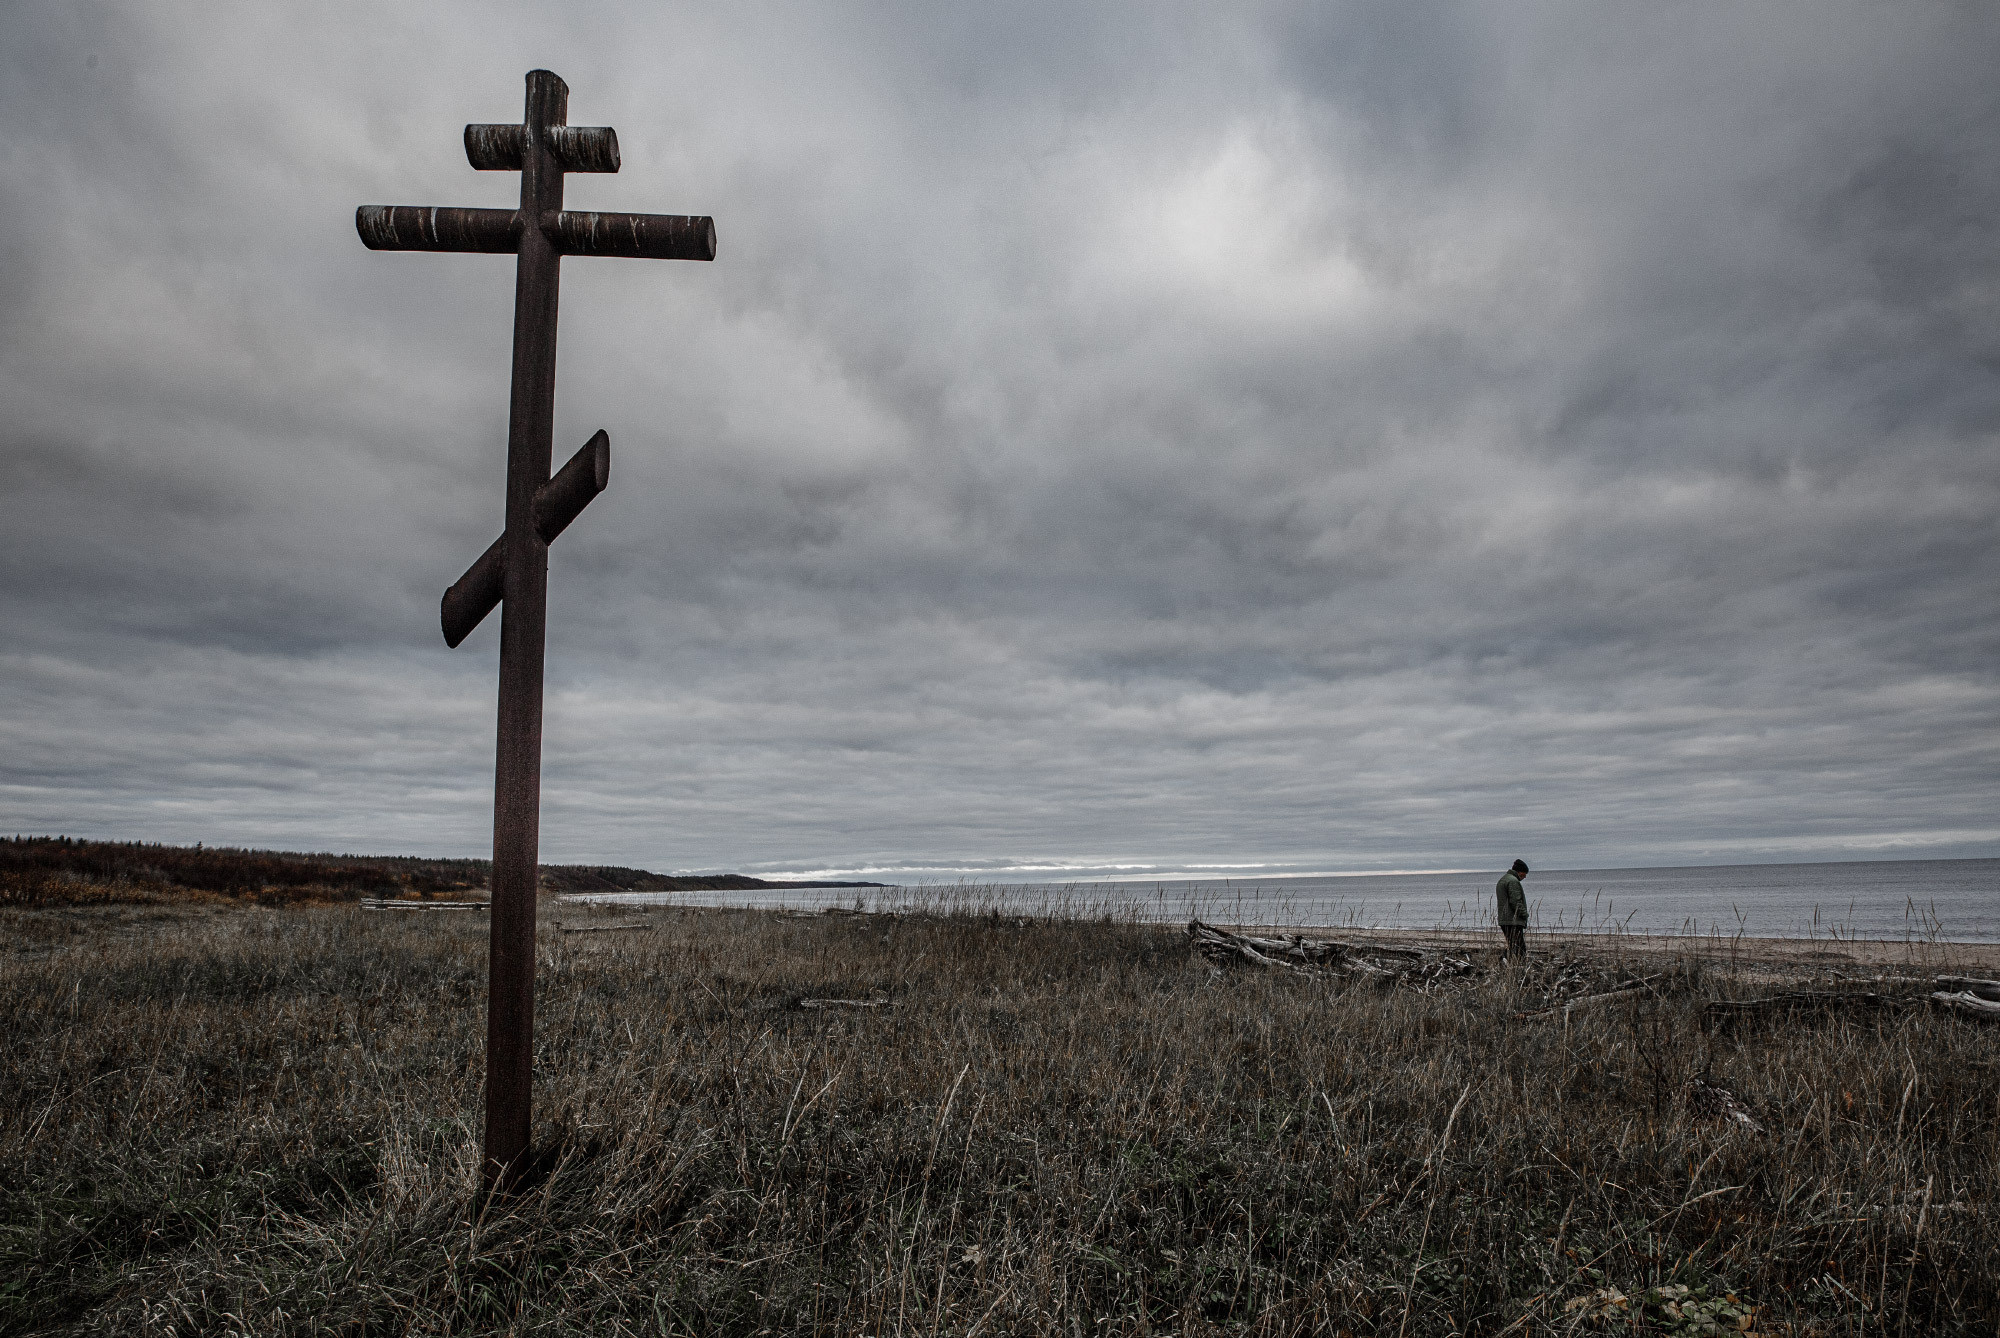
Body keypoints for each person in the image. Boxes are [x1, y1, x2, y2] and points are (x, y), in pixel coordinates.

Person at [1496, 859, 1529, 960]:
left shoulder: (1504, 879)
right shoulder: (1513, 881)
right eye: (1524, 873)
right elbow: (1516, 901)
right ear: (1519, 872)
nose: (1525, 876)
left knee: (1513, 946)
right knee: (1520, 948)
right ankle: (1506, 963)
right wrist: (1524, 914)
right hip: (1512, 920)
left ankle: (1503, 963)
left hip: (1505, 919)